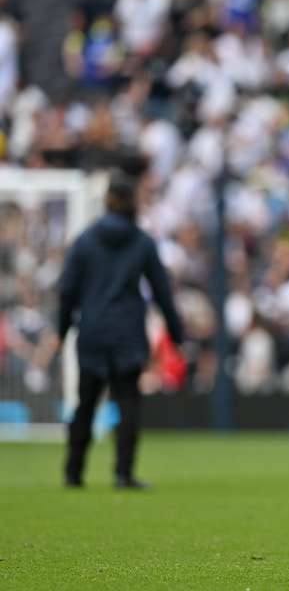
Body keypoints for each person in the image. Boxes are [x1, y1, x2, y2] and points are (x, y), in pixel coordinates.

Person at [55, 169, 183, 489]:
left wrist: (62, 327)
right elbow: (162, 292)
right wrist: (177, 332)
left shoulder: (85, 241)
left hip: (94, 331)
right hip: (127, 332)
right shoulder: (141, 243)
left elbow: (67, 290)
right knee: (127, 401)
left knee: (85, 403)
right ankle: (123, 473)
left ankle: (74, 472)